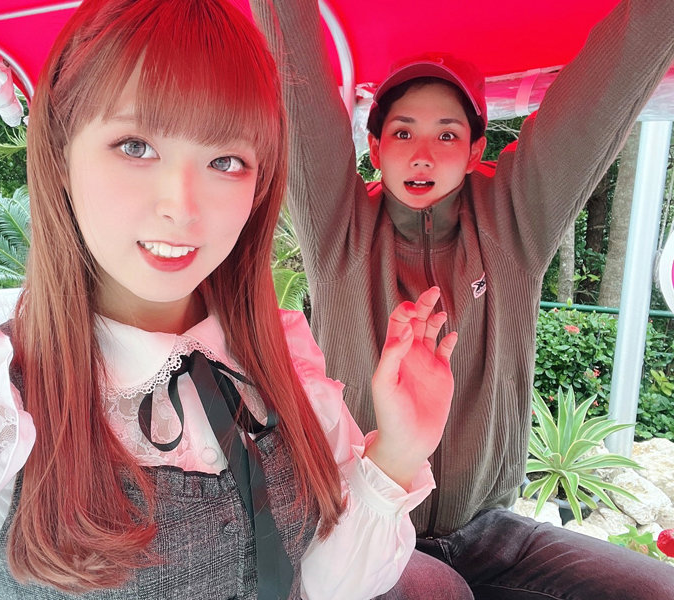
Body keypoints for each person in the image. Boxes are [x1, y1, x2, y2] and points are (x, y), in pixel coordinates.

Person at [0, 0, 460, 599]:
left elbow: (327, 584)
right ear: (60, 153)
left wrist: (398, 450)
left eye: (225, 161)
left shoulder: (281, 355)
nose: (181, 207)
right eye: (135, 146)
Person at [250, 0, 674, 598]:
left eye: (447, 134)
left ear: (476, 150)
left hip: (486, 528)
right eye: (402, 132)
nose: (422, 153)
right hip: (365, 520)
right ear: (375, 146)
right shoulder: (338, 229)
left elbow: (601, 98)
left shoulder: (516, 224)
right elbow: (300, 92)